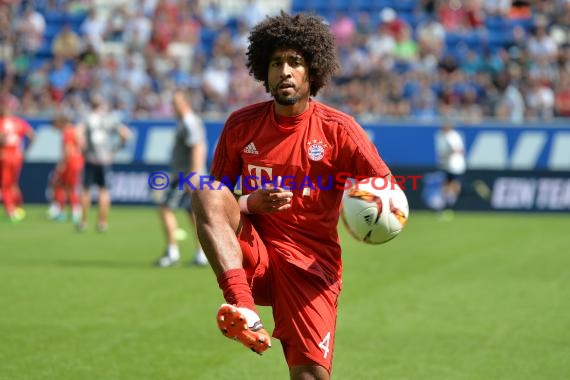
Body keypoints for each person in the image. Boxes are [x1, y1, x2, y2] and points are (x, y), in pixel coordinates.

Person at [190, 12, 392, 380]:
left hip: (312, 268)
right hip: (258, 257)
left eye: (295, 62)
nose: (284, 71)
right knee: (203, 190)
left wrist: (366, 213)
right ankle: (244, 310)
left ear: (311, 71)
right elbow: (217, 202)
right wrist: (251, 203)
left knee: (309, 377)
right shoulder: (241, 125)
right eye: (275, 63)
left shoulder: (340, 130)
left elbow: (386, 191)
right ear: (263, 72)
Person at [155, 90, 209, 267]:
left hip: (185, 176)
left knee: (165, 208)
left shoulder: (189, 122)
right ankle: (201, 253)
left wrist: (192, 176)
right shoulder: (188, 121)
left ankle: (172, 252)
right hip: (188, 175)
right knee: (192, 213)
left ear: (185, 103)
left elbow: (198, 148)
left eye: (176, 103)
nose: (173, 106)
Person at [76, 94, 131, 232]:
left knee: (86, 190)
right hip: (105, 159)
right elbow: (126, 134)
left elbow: (77, 134)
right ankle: (102, 222)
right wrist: (115, 149)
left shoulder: (87, 118)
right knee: (104, 191)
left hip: (90, 158)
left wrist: (82, 149)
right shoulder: (109, 119)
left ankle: (83, 222)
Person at [0, 94, 35, 222]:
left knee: (5, 185)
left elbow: (2, 139)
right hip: (17, 155)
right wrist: (25, 150)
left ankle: (11, 210)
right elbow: (31, 135)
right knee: (13, 183)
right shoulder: (19, 122)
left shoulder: (2, 122)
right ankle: (18, 205)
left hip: (5, 155)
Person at [47, 114, 85, 223]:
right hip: (78, 161)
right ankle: (72, 211)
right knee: (68, 186)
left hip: (70, 163)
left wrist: (62, 164)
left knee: (61, 185)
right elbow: (82, 146)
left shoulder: (67, 132)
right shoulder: (75, 131)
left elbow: (68, 150)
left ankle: (62, 210)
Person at [435, 120, 466, 219]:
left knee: (454, 186)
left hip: (455, 165)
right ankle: (446, 207)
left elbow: (458, 150)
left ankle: (449, 206)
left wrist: (446, 155)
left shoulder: (452, 136)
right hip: (448, 166)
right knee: (446, 186)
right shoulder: (443, 136)